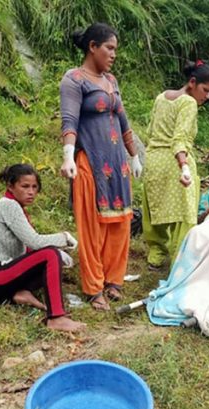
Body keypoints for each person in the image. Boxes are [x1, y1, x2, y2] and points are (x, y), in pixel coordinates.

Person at [59, 23, 142, 310]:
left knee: (120, 222)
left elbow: (123, 119)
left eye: (115, 49)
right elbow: (69, 120)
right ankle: (94, 288)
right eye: (109, 48)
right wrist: (68, 155)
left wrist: (134, 155)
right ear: (92, 47)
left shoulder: (111, 80)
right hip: (90, 163)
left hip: (118, 164)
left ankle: (113, 280)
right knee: (92, 226)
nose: (113, 54)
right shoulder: (74, 80)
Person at [0, 164, 86, 333]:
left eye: (34, 187)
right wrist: (64, 238)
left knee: (52, 257)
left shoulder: (15, 207)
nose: (31, 192)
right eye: (25, 186)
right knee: (50, 254)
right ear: (10, 186)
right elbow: (34, 241)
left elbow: (29, 248)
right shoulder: (8, 205)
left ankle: (17, 294)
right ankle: (56, 317)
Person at [142, 60, 209, 269]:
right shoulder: (188, 102)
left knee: (154, 211)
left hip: (154, 160)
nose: (207, 96)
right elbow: (180, 139)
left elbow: (150, 131)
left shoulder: (161, 97)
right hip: (176, 162)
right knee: (184, 215)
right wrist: (184, 166)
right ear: (192, 82)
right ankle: (182, 261)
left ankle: (156, 254)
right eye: (205, 90)